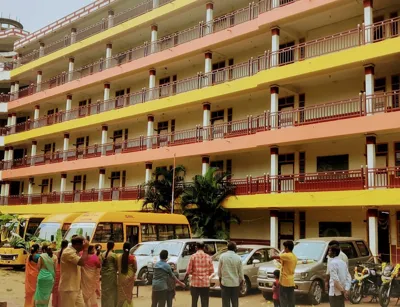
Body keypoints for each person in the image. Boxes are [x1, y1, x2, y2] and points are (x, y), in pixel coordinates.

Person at [59, 235, 89, 307]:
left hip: (76, 287)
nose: (83, 246)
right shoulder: (68, 252)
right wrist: (86, 249)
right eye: (83, 245)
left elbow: (83, 261)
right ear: (77, 244)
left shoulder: (75, 251)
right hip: (69, 288)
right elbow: (82, 263)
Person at [186, 241, 214, 307]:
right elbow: (211, 271)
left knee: (194, 302)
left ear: (196, 248)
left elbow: (188, 271)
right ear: (204, 248)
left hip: (195, 283)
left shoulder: (193, 257)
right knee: (205, 303)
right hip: (205, 283)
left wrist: (193, 273)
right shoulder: (208, 257)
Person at [271, 241, 297, 307]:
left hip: (284, 282)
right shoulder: (294, 256)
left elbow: (274, 257)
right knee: (291, 300)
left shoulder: (287, 255)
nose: (284, 249)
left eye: (284, 247)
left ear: (287, 247)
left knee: (283, 300)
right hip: (291, 282)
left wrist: (272, 254)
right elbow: (283, 262)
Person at [218, 241, 244, 307]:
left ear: (227, 248)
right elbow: (241, 273)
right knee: (235, 303)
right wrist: (241, 282)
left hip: (225, 284)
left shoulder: (222, 257)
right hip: (235, 284)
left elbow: (219, 271)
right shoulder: (239, 258)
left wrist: (220, 280)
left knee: (225, 303)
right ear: (235, 248)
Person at [117, 242, 137, 307]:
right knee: (129, 293)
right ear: (129, 248)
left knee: (122, 293)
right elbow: (135, 268)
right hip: (130, 278)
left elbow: (118, 268)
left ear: (123, 248)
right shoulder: (133, 258)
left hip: (122, 277)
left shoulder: (119, 257)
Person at [101, 241, 118, 307]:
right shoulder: (113, 255)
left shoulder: (102, 254)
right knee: (112, 291)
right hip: (111, 274)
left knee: (104, 291)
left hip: (104, 275)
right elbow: (116, 265)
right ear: (113, 246)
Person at [52, 240, 68, 307]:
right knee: (62, 289)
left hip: (57, 271)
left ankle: (55, 304)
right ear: (67, 245)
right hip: (64, 271)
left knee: (56, 289)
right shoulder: (67, 252)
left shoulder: (57, 252)